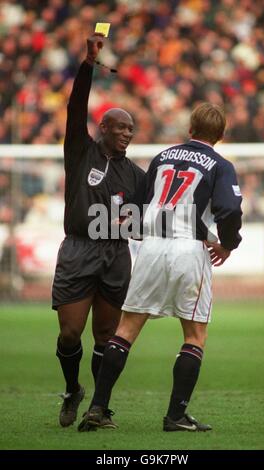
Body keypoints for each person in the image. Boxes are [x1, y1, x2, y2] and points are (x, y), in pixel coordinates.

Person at [77, 102, 243, 432]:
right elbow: (229, 209)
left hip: (151, 248)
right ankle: (175, 415)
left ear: (190, 130)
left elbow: (137, 205)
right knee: (195, 335)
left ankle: (97, 407)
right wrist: (228, 243)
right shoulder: (221, 165)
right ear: (221, 135)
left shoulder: (163, 157)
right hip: (188, 249)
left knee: (125, 330)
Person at [52, 33, 145, 428]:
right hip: (77, 250)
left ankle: (99, 408)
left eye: (132, 130)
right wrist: (89, 63)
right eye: (121, 127)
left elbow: (146, 218)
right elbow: (75, 106)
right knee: (70, 334)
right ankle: (73, 389)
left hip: (115, 254)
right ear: (104, 126)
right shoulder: (80, 149)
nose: (127, 133)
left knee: (106, 337)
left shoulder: (137, 175)